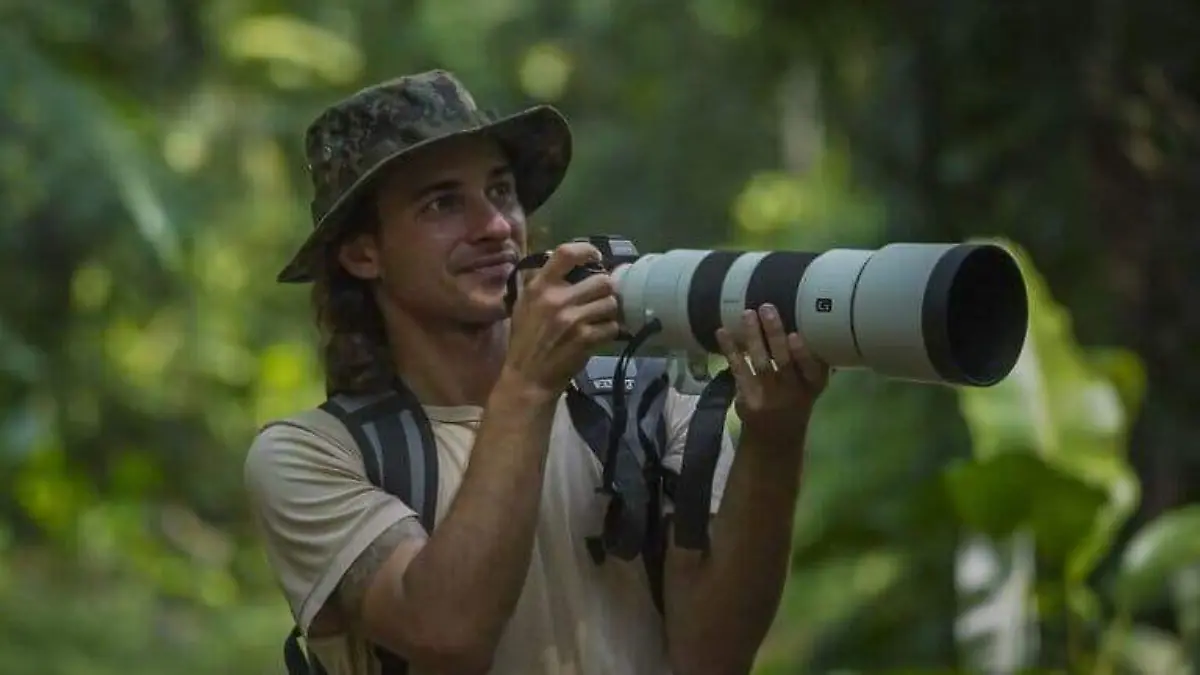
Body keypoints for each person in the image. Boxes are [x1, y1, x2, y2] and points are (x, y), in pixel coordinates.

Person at [243, 69, 831, 675]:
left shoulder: (645, 402)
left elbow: (713, 656)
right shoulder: (310, 457)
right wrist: (526, 385)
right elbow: (446, 633)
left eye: (500, 192)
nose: (496, 227)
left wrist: (774, 440)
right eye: (443, 203)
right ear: (363, 253)